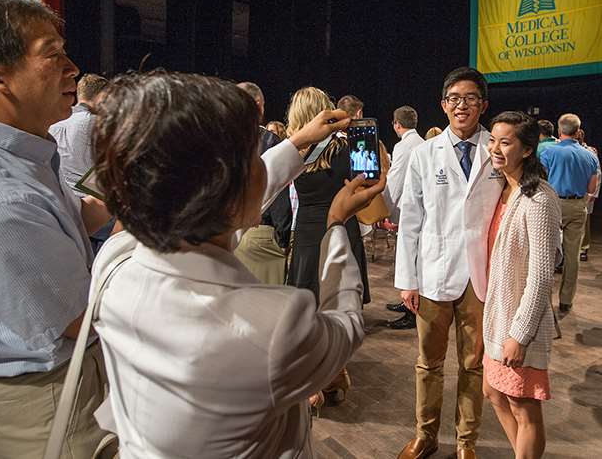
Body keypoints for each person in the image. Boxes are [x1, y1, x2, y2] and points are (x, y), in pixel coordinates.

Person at [91, 71, 386, 458]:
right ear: (226, 186)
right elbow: (345, 326)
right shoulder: (270, 324)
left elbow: (221, 213)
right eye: (252, 158)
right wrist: (335, 228)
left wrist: (298, 142)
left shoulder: (115, 261)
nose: (263, 168)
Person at [0, 0, 112, 457]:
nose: (72, 69)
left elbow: (75, 216)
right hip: (44, 397)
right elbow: (81, 318)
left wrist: (127, 178)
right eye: (52, 55)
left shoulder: (14, 151)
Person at [396, 67, 504, 459]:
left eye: (471, 98)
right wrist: (407, 279)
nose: (462, 105)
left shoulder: (498, 149)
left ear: (483, 105)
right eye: (454, 98)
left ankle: (466, 444)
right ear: (443, 105)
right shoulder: (425, 154)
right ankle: (425, 436)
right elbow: (410, 219)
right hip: (434, 275)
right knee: (429, 364)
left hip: (480, 277)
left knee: (474, 365)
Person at [285, 86, 371, 406]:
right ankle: (334, 373)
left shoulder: (292, 150)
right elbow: (364, 183)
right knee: (337, 302)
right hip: (339, 227)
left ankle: (317, 378)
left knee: (308, 308)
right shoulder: (341, 148)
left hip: (308, 233)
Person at [483, 111, 560, 459]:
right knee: (494, 393)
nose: (495, 148)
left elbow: (542, 275)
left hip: (519, 322)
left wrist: (520, 333)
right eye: (493, 140)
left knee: (522, 405)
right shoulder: (503, 190)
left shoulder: (538, 199)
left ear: (527, 150)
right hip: (497, 317)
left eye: (505, 142)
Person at [539, 114, 599, 312]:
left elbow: (542, 181)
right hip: (577, 206)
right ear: (578, 130)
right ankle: (566, 300)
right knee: (572, 256)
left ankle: (542, 298)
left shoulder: (549, 152)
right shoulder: (590, 155)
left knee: (545, 253)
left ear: (559, 130)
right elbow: (592, 186)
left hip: (552, 204)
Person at [234, 82, 293, 285]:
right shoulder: (270, 141)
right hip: (261, 235)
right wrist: (283, 236)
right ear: (259, 105)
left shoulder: (218, 138)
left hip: (224, 236)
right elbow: (278, 191)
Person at [49, 73, 112, 253]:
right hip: (98, 212)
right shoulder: (99, 124)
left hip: (65, 210)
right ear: (102, 97)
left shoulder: (54, 122)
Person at [383, 105, 424, 330]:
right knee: (413, 259)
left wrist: (383, 211)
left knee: (409, 260)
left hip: (407, 211)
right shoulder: (423, 143)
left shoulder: (403, 146)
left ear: (397, 124)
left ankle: (411, 311)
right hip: (420, 211)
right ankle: (407, 302)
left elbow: (395, 181)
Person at [577, 128, 601, 262]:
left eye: (579, 135)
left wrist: (593, 193)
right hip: (572, 190)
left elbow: (597, 173)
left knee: (585, 221)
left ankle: (583, 248)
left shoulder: (590, 151)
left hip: (586, 190)